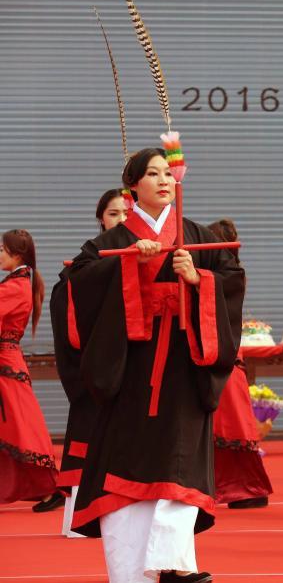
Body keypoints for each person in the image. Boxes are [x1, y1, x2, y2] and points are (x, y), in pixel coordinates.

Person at [54, 147, 245, 583]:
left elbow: (232, 278)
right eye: (152, 173)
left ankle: (175, 563)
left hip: (182, 365)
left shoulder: (196, 235)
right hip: (130, 371)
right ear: (133, 186)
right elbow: (73, 286)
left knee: (180, 465)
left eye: (168, 173)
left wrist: (199, 280)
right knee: (125, 478)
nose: (163, 180)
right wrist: (128, 265)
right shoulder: (111, 243)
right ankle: (130, 572)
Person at [51, 189, 129, 535]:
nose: (121, 221)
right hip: (98, 370)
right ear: (101, 218)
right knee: (89, 433)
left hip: (137, 373)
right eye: (114, 214)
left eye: (127, 214)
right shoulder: (83, 268)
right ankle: (80, 519)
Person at [207, 218, 273, 508]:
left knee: (231, 423)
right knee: (221, 424)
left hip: (224, 357)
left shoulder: (229, 277)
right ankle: (233, 486)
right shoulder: (223, 275)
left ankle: (246, 488)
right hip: (217, 357)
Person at [0, 230, 58, 510]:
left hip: (6, 363)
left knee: (21, 427)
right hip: (8, 361)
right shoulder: (19, 283)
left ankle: (48, 487)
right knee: (17, 426)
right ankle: (46, 488)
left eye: (3, 249)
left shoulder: (15, 286)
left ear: (17, 254)